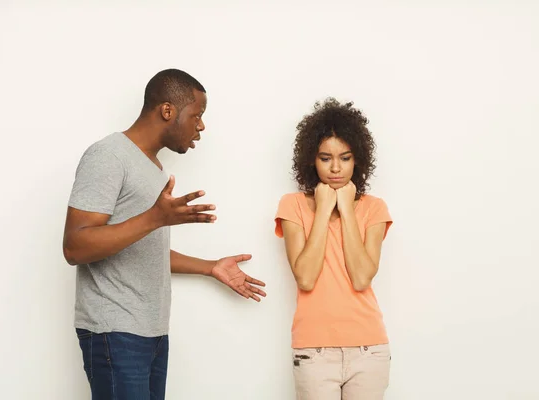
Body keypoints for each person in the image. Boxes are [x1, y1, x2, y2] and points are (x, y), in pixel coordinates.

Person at [63, 68, 266, 400]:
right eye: (196, 115)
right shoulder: (108, 155)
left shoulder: (155, 169)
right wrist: (154, 218)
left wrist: (210, 266)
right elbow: (75, 246)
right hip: (115, 330)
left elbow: (139, 248)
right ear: (167, 110)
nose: (201, 126)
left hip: (151, 333)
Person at [275, 98, 393, 399]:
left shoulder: (374, 209)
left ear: (358, 159)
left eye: (345, 157)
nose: (336, 168)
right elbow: (305, 277)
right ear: (311, 160)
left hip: (369, 350)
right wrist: (325, 209)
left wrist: (348, 211)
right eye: (325, 158)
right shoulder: (293, 206)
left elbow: (362, 278)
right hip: (313, 351)